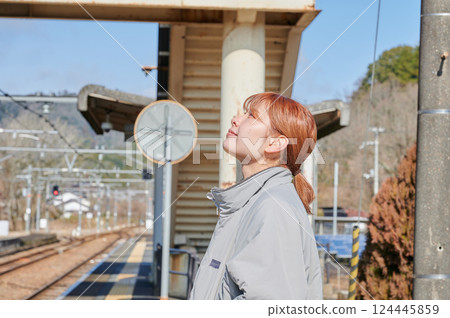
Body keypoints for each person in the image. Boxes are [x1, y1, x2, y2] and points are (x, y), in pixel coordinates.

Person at [189, 92, 323, 300]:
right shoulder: (256, 200)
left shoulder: (273, 206)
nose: (236, 119)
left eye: (251, 115)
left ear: (275, 144)